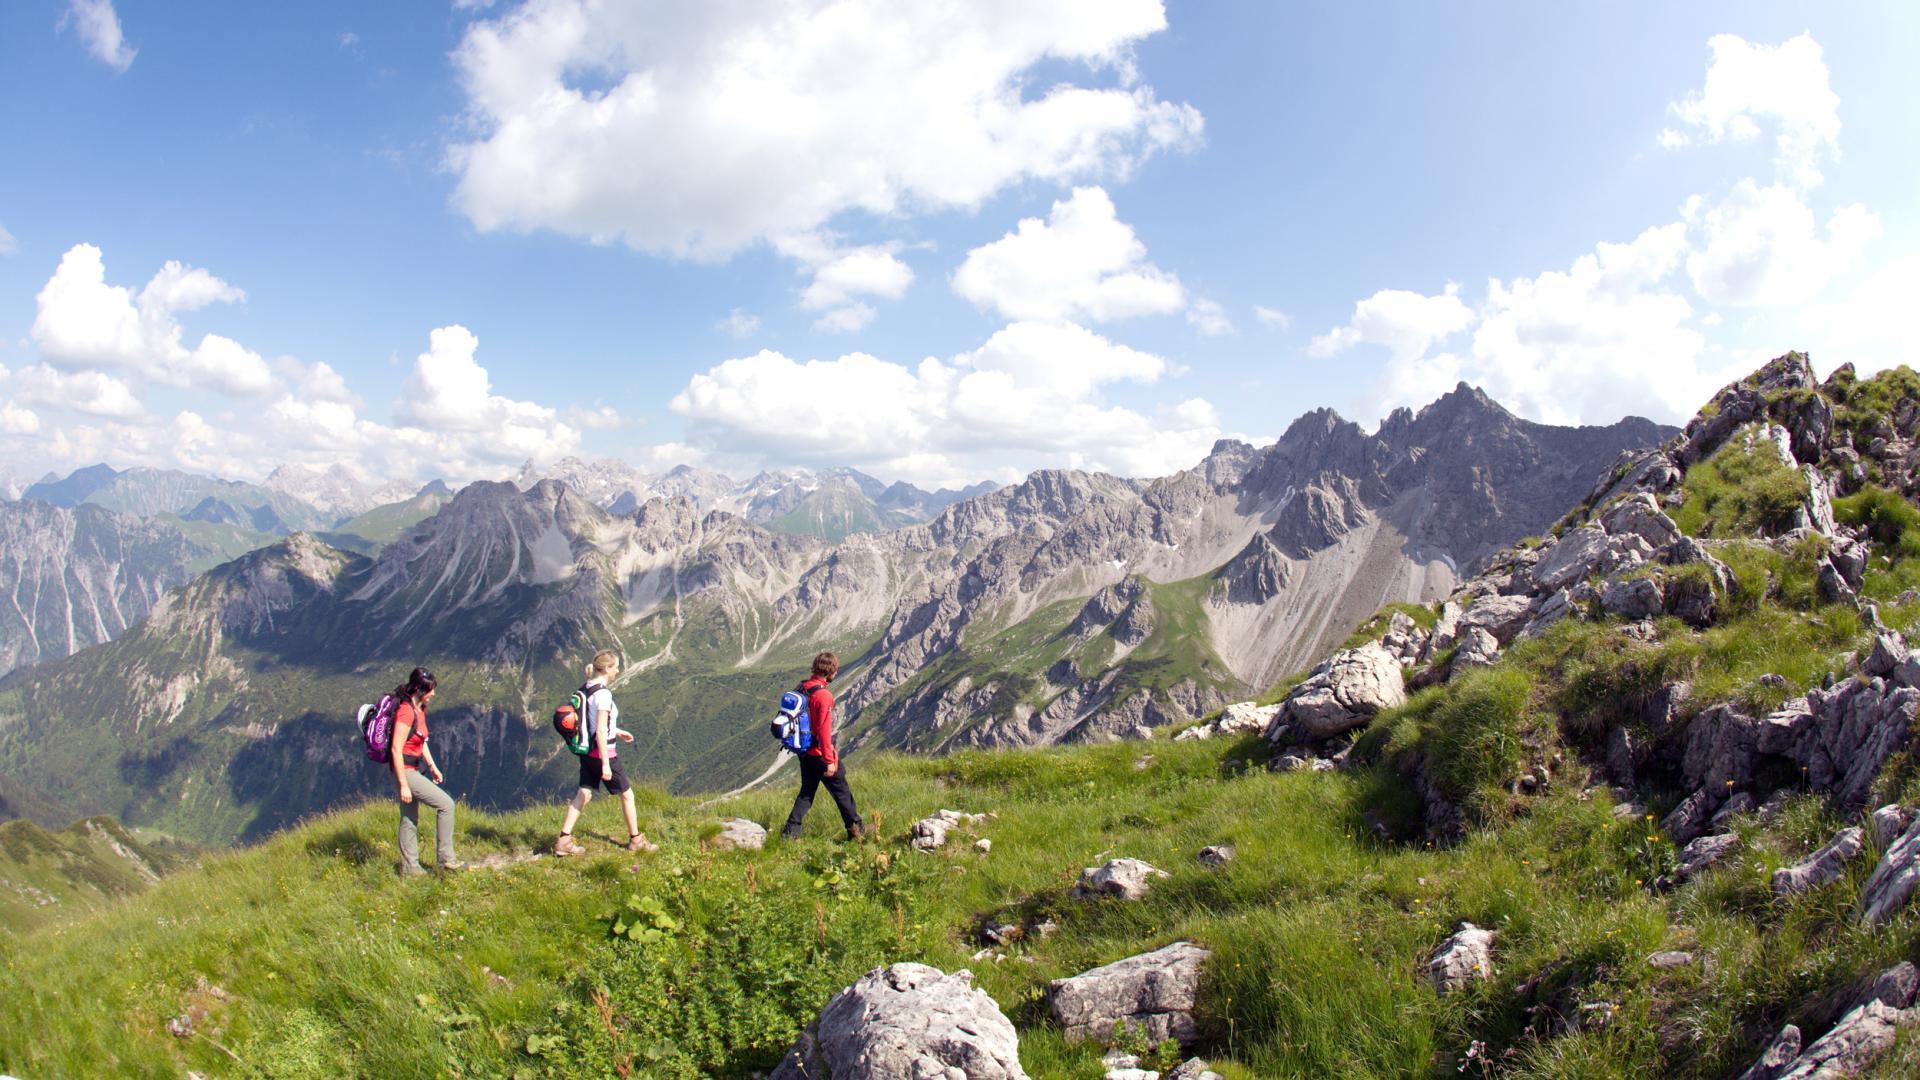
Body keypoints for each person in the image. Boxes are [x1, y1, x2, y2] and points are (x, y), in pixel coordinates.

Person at [555, 650, 652, 856]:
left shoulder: (587, 687)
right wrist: (606, 764)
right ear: (607, 669)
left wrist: (617, 732)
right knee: (627, 795)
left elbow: (593, 724)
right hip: (602, 753)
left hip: (587, 752)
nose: (618, 670)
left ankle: (564, 840)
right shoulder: (604, 695)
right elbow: (599, 729)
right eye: (616, 667)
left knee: (584, 793)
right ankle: (636, 840)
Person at [780, 651, 865, 842]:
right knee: (842, 793)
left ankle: (789, 834)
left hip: (804, 752)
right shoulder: (823, 696)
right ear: (832, 671)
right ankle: (856, 832)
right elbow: (824, 732)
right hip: (819, 754)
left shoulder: (802, 687)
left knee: (807, 793)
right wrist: (829, 761)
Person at [389, 666, 464, 875]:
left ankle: (409, 868)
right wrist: (404, 784)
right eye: (430, 690)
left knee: (409, 818)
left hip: (413, 768)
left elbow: (421, 740)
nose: (434, 694)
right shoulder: (406, 711)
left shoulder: (419, 708)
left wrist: (432, 766)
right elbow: (396, 748)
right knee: (446, 805)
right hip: (404, 771)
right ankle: (446, 860)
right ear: (420, 689)